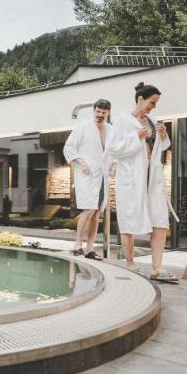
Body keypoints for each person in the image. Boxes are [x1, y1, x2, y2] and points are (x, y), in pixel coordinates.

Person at [106, 83, 178, 283]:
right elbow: (113, 149)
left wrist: (163, 136)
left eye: (155, 104)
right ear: (140, 99)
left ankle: (156, 267)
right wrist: (134, 136)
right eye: (151, 103)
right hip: (131, 178)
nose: (153, 107)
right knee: (129, 220)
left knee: (160, 221)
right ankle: (130, 264)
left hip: (152, 176)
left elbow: (161, 147)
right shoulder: (122, 121)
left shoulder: (152, 121)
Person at [63, 99, 113, 259]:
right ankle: (78, 245)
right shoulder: (83, 127)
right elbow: (69, 148)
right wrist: (82, 163)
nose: (100, 115)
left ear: (108, 113)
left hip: (103, 175)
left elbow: (114, 150)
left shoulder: (111, 129)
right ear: (94, 111)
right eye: (98, 112)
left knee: (97, 212)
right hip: (88, 174)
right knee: (89, 209)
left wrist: (114, 165)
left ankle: (90, 248)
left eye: (103, 113)